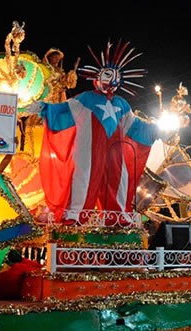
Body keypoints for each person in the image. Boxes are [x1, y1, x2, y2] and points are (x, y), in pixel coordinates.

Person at [25, 40, 160, 224]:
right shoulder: (86, 98)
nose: (110, 81)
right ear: (97, 78)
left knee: (118, 180)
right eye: (106, 76)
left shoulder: (121, 104)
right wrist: (42, 107)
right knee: (84, 177)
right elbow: (64, 110)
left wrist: (155, 129)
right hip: (87, 150)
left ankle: (117, 216)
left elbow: (135, 126)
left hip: (115, 151)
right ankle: (76, 214)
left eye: (114, 78)